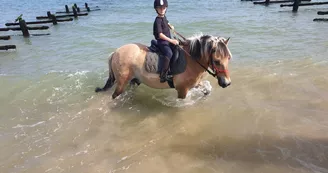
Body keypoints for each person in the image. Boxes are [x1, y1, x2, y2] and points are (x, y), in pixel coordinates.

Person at [153, 0, 179, 83]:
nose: (162, 9)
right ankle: (163, 75)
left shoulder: (163, 17)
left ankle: (173, 69)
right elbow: (160, 35)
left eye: (163, 7)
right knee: (169, 53)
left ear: (166, 8)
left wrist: (170, 25)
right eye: (159, 8)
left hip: (167, 41)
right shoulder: (157, 20)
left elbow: (166, 22)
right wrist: (171, 40)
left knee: (178, 48)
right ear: (156, 9)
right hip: (162, 42)